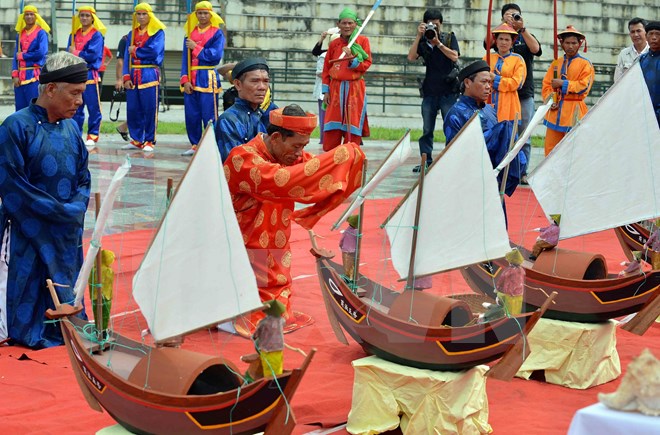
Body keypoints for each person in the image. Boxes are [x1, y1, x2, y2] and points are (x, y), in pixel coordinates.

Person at [224, 104, 365, 337]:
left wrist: (352, 163)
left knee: (278, 310)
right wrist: (344, 154)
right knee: (264, 318)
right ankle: (229, 315)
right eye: (296, 146)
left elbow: (315, 171)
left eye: (304, 146)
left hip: (273, 253)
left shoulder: (287, 156)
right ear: (277, 138)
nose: (300, 153)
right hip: (241, 254)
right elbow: (283, 180)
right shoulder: (243, 158)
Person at [0, 51, 91, 349]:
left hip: (65, 228)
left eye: (82, 94)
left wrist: (74, 210)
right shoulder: (16, 126)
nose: (79, 102)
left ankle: (62, 327)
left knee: (65, 288)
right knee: (26, 297)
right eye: (75, 93)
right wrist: (56, 213)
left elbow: (83, 178)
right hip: (27, 228)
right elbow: (12, 184)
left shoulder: (72, 128)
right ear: (51, 89)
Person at [444, 60, 526, 206]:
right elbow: (457, 154)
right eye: (484, 82)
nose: (489, 87)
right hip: (468, 185)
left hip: (492, 181)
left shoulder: (489, 109)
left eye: (490, 82)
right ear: (468, 83)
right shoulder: (456, 113)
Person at [407, 8, 460, 172]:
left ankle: (448, 160)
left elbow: (454, 56)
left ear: (441, 24)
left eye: (436, 25)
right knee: (427, 129)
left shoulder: (449, 38)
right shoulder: (423, 42)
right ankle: (425, 160)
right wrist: (418, 35)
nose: (433, 28)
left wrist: (438, 44)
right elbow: (411, 57)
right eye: (430, 25)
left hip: (448, 91)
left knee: (450, 127)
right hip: (430, 90)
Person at [500, 4, 542, 183]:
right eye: (507, 16)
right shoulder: (499, 36)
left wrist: (522, 29)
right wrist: (502, 27)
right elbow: (488, 44)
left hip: (524, 93)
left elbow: (536, 50)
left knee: (524, 133)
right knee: (501, 131)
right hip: (502, 92)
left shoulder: (526, 36)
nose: (511, 19)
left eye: (515, 16)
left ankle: (522, 171)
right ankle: (502, 167)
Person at [322, 7, 372, 151]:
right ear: (338, 24)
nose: (347, 26)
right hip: (335, 89)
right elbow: (326, 68)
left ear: (356, 24)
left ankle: (350, 160)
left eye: (350, 23)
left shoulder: (362, 41)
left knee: (352, 126)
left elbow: (367, 63)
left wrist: (352, 58)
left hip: (354, 89)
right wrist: (326, 90)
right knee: (333, 127)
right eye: (344, 23)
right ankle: (330, 162)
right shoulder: (334, 44)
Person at [180, 1, 225, 157]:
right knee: (191, 114)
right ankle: (195, 144)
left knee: (209, 115)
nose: (202, 16)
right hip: (191, 77)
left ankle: (210, 145)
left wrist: (196, 48)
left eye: (205, 13)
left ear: (211, 14)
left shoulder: (217, 33)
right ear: (196, 14)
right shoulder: (189, 32)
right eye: (199, 13)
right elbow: (184, 59)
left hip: (207, 77)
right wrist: (184, 80)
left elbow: (215, 56)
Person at [541, 25, 594, 156]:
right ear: (562, 44)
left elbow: (583, 86)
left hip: (574, 111)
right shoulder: (556, 64)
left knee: (573, 151)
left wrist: (563, 84)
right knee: (550, 149)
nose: (570, 46)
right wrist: (550, 101)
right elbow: (547, 85)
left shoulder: (585, 64)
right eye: (567, 43)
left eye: (574, 43)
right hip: (555, 110)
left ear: (579, 44)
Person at [122, 2, 166, 152]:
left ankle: (149, 140)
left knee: (149, 108)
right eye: (138, 14)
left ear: (150, 15)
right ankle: (136, 139)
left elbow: (154, 51)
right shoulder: (131, 33)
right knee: (133, 108)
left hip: (148, 73)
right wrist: (126, 76)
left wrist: (136, 51)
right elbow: (125, 56)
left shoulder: (158, 32)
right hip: (133, 73)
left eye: (144, 14)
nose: (141, 17)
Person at [215, 57, 275, 160]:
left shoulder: (268, 115)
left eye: (265, 81)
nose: (262, 87)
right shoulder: (228, 120)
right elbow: (236, 164)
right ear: (238, 84)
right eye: (255, 81)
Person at [67, 6, 106, 147]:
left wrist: (76, 52)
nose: (84, 18)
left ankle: (93, 134)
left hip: (89, 73)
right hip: (75, 74)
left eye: (87, 16)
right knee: (75, 106)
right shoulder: (73, 35)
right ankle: (76, 133)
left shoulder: (96, 35)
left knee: (93, 106)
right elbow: (68, 54)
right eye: (81, 15)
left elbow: (92, 55)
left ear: (92, 18)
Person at [483, 23, 526, 122]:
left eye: (507, 40)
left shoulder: (518, 59)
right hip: (488, 103)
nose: (503, 42)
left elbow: (517, 83)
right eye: (501, 39)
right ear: (496, 41)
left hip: (509, 105)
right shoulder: (487, 57)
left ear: (512, 42)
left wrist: (496, 79)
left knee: (508, 135)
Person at [12, 5, 50, 111]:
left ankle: (35, 127)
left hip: (34, 75)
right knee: (20, 108)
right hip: (20, 76)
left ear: (36, 16)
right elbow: (15, 56)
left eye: (31, 14)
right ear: (23, 17)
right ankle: (21, 128)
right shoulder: (19, 34)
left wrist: (23, 56)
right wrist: (15, 74)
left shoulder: (41, 33)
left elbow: (41, 52)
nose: (29, 17)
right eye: (26, 14)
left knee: (34, 106)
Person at [253, 300, 286, 377]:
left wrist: (254, 337)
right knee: (278, 366)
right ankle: (278, 378)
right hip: (279, 348)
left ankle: (269, 380)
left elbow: (257, 334)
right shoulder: (282, 320)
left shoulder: (263, 322)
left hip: (267, 349)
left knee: (268, 368)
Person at [639, 21, 659, 127]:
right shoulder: (642, 60)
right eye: (651, 34)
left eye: (657, 34)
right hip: (645, 113)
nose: (654, 37)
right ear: (646, 37)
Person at [495, 249, 525, 315]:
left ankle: (508, 318)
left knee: (509, 310)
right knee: (517, 309)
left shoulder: (508, 271)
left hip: (509, 294)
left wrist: (497, 288)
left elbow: (501, 280)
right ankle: (516, 318)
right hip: (519, 294)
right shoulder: (521, 270)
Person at [114, 33, 129, 141]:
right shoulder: (125, 39)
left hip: (138, 77)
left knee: (140, 109)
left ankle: (124, 127)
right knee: (138, 108)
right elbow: (120, 61)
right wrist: (119, 79)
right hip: (130, 78)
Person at [340, 215, 359, 281]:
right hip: (353, 251)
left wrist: (341, 246)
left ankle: (347, 278)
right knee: (352, 266)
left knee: (346, 266)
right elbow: (358, 242)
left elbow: (341, 240)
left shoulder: (346, 231)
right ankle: (352, 279)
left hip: (345, 250)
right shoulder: (356, 232)